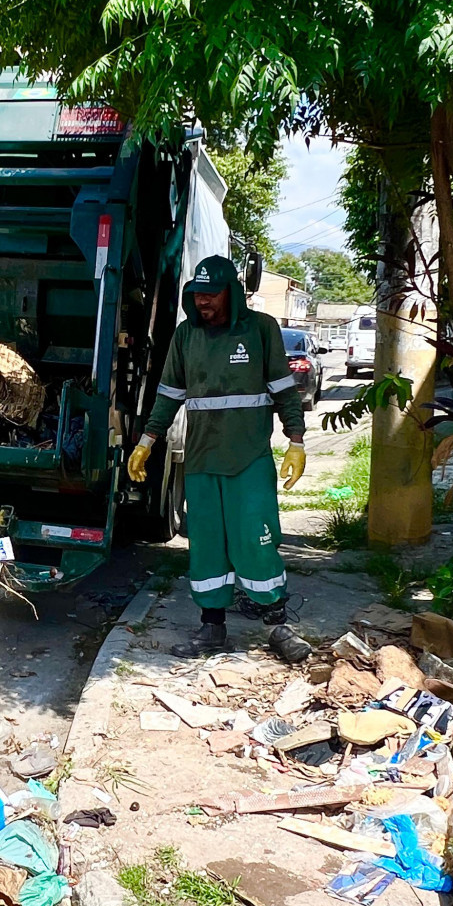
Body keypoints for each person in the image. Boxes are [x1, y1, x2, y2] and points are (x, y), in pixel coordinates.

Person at [128, 254, 312, 661]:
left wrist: (295, 441)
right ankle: (212, 627)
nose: (203, 302)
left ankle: (278, 623)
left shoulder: (261, 330)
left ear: (231, 293)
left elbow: (285, 391)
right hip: (201, 461)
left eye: (211, 295)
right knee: (208, 547)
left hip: (248, 460)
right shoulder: (185, 337)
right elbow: (168, 395)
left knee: (255, 541)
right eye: (197, 295)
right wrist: (147, 441)